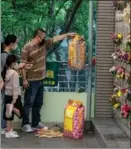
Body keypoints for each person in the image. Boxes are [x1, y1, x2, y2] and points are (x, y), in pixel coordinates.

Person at [20, 28, 76, 132]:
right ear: (37, 37)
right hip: (31, 80)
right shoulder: (26, 48)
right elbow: (22, 65)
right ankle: (25, 124)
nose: (45, 39)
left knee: (39, 102)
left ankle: (36, 123)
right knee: (28, 103)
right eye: (43, 38)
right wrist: (24, 80)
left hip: (41, 79)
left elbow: (55, 38)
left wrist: (67, 34)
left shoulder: (44, 44)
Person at [2, 55, 23, 138]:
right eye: (17, 62)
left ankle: (9, 130)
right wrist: (14, 99)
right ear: (13, 63)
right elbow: (15, 87)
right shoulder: (14, 74)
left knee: (9, 115)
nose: (17, 64)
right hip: (14, 95)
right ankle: (11, 108)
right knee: (20, 113)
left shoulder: (6, 71)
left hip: (7, 95)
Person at [1, 34, 17, 134]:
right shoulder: (4, 56)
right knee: (5, 106)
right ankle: (4, 127)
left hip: (5, 85)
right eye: (16, 43)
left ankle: (4, 127)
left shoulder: (5, 55)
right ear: (11, 44)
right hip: (4, 85)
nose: (16, 45)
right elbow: (7, 71)